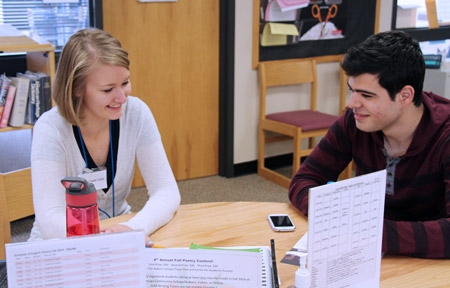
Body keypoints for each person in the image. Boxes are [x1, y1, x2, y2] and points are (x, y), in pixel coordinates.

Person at [289, 31, 450, 259]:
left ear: (405, 95)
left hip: (432, 264)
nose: (352, 103)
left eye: (366, 95)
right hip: (370, 254)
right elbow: (303, 180)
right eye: (352, 90)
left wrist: (369, 231)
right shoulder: (356, 122)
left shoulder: (445, 136)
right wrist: (336, 217)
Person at [29, 28, 180, 245]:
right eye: (108, 89)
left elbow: (167, 191)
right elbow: (50, 219)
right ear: (77, 89)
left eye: (125, 83)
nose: (121, 97)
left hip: (121, 232)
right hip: (61, 243)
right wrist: (102, 241)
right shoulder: (50, 128)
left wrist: (132, 228)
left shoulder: (136, 113)